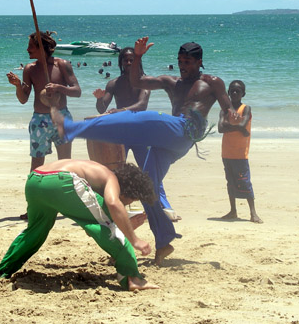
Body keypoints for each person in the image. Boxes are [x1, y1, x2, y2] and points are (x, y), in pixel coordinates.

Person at [50, 36, 234, 264]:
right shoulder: (172, 82)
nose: (183, 66)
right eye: (180, 61)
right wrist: (137, 57)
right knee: (148, 187)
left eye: (187, 62)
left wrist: (231, 115)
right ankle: (164, 241)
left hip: (184, 130)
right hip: (171, 141)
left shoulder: (212, 82)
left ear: (199, 62)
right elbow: (137, 81)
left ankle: (70, 129)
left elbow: (227, 106)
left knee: (135, 118)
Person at [0, 159, 159, 291]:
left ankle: (2, 271)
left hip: (35, 180)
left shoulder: (95, 171)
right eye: (132, 200)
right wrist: (135, 239)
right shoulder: (111, 178)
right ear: (128, 190)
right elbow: (114, 204)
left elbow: (92, 224)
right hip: (63, 181)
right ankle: (132, 278)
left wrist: (122, 223)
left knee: (35, 231)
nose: (128, 204)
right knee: (112, 229)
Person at [93, 47, 178, 221]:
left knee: (150, 171)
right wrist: (99, 99)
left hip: (141, 133)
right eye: (126, 60)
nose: (129, 63)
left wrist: (120, 111)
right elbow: (103, 109)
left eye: (132, 59)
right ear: (121, 62)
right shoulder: (114, 83)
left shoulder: (144, 82)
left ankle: (164, 206)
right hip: (121, 133)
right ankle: (113, 206)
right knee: (115, 171)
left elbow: (141, 105)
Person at [6, 31, 81, 219]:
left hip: (61, 117)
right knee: (37, 165)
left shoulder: (62, 65)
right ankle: (35, 206)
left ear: (42, 48)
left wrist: (59, 88)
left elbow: (77, 91)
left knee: (65, 163)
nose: (27, 49)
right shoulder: (30, 69)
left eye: (31, 45)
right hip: (39, 120)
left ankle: (68, 204)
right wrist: (17, 85)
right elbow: (24, 99)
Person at [218, 80, 262, 223]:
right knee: (230, 182)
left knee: (245, 182)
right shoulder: (225, 110)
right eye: (232, 90)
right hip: (227, 152)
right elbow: (220, 128)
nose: (235, 93)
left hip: (241, 153)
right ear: (228, 93)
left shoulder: (246, 109)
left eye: (238, 91)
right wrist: (238, 126)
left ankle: (253, 213)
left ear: (243, 93)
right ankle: (233, 211)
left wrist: (230, 125)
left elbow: (243, 125)